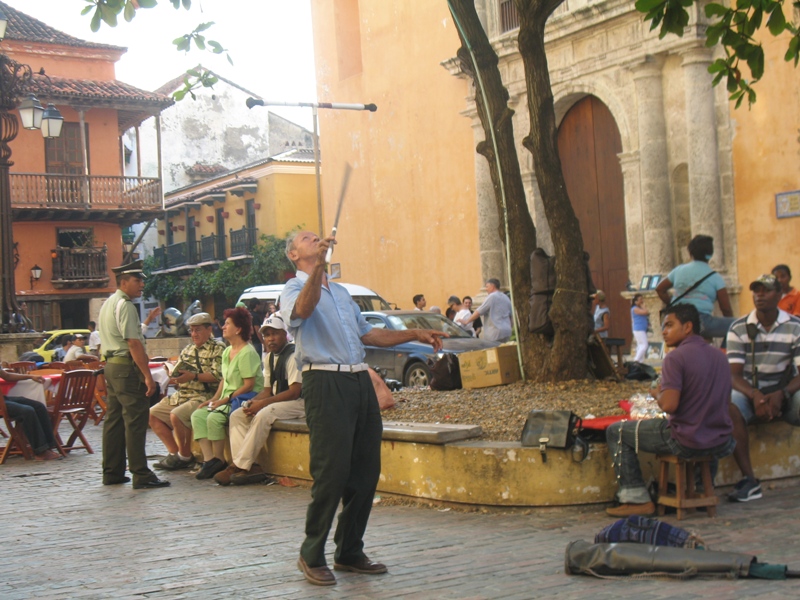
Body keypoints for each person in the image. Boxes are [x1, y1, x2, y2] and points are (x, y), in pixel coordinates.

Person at [281, 230, 446, 587]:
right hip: (325, 382)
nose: (315, 238)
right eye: (307, 239)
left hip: (358, 380)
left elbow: (368, 335)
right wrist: (319, 268)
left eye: (316, 236)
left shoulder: (341, 294)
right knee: (331, 471)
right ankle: (311, 554)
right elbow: (303, 311)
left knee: (366, 471)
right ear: (294, 255)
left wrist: (414, 334)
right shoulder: (293, 289)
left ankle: (349, 550)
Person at [605, 303, 734, 516]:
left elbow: (669, 405)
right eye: (663, 326)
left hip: (685, 440)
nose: (664, 331)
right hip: (720, 441)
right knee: (701, 429)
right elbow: (725, 401)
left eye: (669, 325)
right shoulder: (720, 356)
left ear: (688, 327)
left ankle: (635, 499)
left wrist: (657, 394)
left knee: (616, 431)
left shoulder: (675, 358)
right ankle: (701, 489)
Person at [726, 274, 800, 502]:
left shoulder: (794, 326)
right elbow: (733, 375)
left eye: (766, 290)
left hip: (785, 390)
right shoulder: (739, 328)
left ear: (779, 295)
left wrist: (783, 393)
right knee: (729, 406)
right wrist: (755, 395)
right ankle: (750, 481)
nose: (759, 295)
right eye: (756, 290)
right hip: (749, 392)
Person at [98, 260, 169, 489]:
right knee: (136, 421)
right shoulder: (125, 305)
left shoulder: (109, 303)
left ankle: (112, 472)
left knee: (114, 421)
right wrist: (147, 375)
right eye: (138, 281)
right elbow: (133, 343)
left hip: (111, 366)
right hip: (126, 368)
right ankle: (141, 474)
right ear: (124, 282)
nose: (142, 285)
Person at [214, 314, 304, 486]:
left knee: (264, 413)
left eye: (274, 334)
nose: (270, 339)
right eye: (267, 335)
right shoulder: (269, 357)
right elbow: (267, 390)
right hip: (279, 402)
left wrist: (263, 403)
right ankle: (250, 466)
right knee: (239, 414)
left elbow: (294, 392)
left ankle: (238, 466)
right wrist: (253, 402)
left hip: (299, 403)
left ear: (284, 335)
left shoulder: (293, 356)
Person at [191, 307, 264, 481]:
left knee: (214, 418)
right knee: (198, 415)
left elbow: (249, 385)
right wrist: (214, 399)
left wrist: (224, 400)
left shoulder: (247, 352)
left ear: (238, 329)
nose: (223, 327)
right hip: (226, 398)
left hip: (241, 398)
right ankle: (209, 460)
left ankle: (219, 459)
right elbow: (224, 380)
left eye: (227, 324)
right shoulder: (227, 351)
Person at [149, 312, 224, 471]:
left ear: (208, 329)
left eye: (197, 330)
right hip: (182, 394)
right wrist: (174, 376)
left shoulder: (218, 348)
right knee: (152, 414)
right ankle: (174, 453)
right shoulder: (187, 349)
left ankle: (184, 456)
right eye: (191, 330)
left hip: (203, 395)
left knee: (177, 414)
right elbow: (180, 372)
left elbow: (219, 376)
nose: (194, 334)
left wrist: (194, 376)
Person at [655, 234, 734, 341]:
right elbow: (726, 308)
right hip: (701, 322)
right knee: (737, 326)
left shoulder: (679, 270)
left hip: (677, 319)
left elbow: (660, 289)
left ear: (690, 253)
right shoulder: (715, 277)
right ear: (710, 254)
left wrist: (672, 304)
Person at [0, 366, 61, 460]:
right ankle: (40, 451)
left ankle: (49, 445)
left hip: (3, 399)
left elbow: (7, 376)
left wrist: (30, 376)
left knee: (39, 407)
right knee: (27, 411)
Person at [630, 294, 650, 362]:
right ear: (635, 301)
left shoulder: (638, 308)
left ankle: (640, 361)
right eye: (640, 299)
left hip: (641, 329)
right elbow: (646, 312)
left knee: (640, 345)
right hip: (639, 329)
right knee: (644, 345)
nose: (642, 301)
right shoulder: (635, 309)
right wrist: (643, 306)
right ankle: (636, 359)